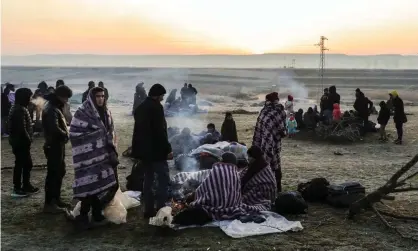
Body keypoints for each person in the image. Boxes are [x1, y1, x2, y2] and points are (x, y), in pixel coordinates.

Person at [69, 87, 119, 230]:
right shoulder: (83, 112)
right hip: (88, 158)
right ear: (92, 97)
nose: (100, 99)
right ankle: (83, 216)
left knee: (105, 186)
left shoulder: (106, 112)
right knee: (89, 186)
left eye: (103, 96)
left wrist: (110, 146)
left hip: (105, 156)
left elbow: (110, 132)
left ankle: (97, 214)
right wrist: (97, 137)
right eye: (98, 96)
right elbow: (74, 132)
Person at [131, 83, 173, 218]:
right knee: (163, 179)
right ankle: (161, 208)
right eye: (162, 95)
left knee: (148, 180)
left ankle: (148, 210)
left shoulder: (140, 108)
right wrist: (168, 149)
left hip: (144, 152)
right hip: (157, 151)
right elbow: (160, 132)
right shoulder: (156, 108)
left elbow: (138, 132)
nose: (163, 98)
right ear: (158, 95)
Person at [42, 85, 73, 213]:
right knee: (54, 173)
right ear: (60, 96)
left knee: (60, 171)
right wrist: (66, 134)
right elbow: (54, 128)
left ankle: (56, 199)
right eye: (66, 98)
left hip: (57, 144)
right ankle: (50, 203)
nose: (66, 100)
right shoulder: (52, 109)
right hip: (54, 145)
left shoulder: (54, 107)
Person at [8, 88, 39, 197]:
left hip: (20, 142)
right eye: (29, 97)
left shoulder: (19, 108)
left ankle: (26, 185)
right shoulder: (19, 110)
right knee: (21, 164)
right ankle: (17, 188)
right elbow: (22, 128)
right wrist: (28, 139)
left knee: (25, 164)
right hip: (20, 142)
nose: (30, 99)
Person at [252, 92, 286, 192]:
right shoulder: (279, 111)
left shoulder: (263, 111)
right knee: (275, 163)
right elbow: (283, 130)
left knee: (265, 162)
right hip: (274, 142)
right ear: (276, 100)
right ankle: (277, 187)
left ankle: (265, 186)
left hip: (263, 142)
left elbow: (258, 128)